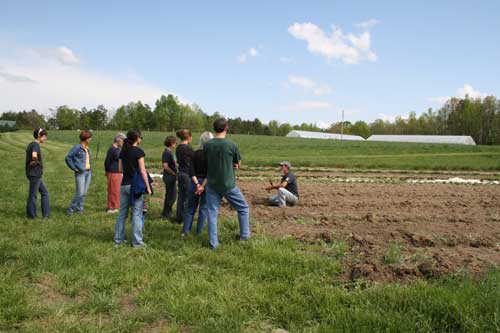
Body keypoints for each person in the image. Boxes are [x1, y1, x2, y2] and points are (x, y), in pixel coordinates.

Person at [204, 118, 250, 249]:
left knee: (212, 213)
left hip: (212, 183)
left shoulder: (207, 145)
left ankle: (214, 244)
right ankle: (244, 237)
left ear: (214, 129)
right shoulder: (231, 145)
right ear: (226, 128)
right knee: (243, 208)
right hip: (228, 184)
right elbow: (237, 164)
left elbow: (207, 162)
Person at [114, 129, 151, 248]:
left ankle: (118, 239)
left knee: (122, 213)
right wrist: (148, 186)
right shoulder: (138, 151)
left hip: (124, 184)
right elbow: (143, 171)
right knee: (136, 214)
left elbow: (120, 169)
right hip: (135, 187)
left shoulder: (123, 151)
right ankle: (137, 242)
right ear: (138, 138)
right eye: (141, 137)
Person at [182, 131, 213, 236]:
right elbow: (210, 173)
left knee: (190, 209)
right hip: (206, 184)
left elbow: (191, 171)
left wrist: (197, 185)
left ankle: (185, 232)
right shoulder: (211, 156)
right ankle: (198, 233)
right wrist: (202, 186)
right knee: (203, 209)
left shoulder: (194, 153)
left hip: (194, 183)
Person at [65, 130, 93, 215]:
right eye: (90, 137)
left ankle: (79, 209)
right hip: (81, 173)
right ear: (85, 138)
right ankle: (70, 210)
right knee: (79, 193)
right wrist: (74, 168)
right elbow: (68, 158)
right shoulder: (77, 147)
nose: (91, 139)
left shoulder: (87, 148)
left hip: (88, 173)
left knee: (83, 193)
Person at [26, 128, 50, 219]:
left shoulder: (31, 144)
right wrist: (35, 161)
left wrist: (33, 162)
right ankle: (31, 216)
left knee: (45, 193)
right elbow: (34, 155)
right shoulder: (35, 145)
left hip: (34, 174)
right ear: (39, 136)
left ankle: (46, 215)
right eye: (44, 136)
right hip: (34, 174)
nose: (45, 138)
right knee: (33, 195)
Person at [175, 129, 193, 223]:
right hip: (187, 174)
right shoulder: (188, 148)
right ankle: (186, 219)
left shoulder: (178, 147)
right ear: (188, 137)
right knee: (187, 198)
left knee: (180, 197)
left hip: (180, 173)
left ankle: (179, 217)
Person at [104, 133, 126, 213]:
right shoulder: (112, 149)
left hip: (118, 173)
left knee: (117, 190)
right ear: (118, 139)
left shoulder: (118, 149)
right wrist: (107, 171)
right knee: (113, 190)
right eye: (123, 140)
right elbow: (107, 162)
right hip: (113, 172)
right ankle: (111, 207)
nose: (124, 142)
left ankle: (116, 206)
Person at [161, 136, 177, 220]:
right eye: (175, 142)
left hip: (171, 177)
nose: (176, 144)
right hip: (169, 177)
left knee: (171, 195)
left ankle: (166, 212)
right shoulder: (167, 153)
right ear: (171, 143)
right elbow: (165, 166)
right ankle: (166, 214)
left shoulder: (169, 152)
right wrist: (174, 173)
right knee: (171, 196)